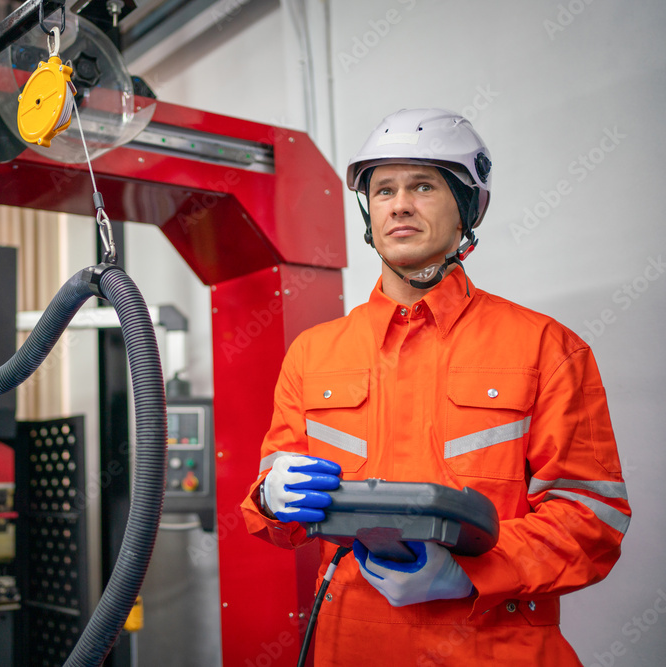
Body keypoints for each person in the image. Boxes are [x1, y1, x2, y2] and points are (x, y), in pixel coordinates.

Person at [241, 108, 630, 664]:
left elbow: (593, 518)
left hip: (496, 646)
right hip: (351, 644)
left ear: (467, 208)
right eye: (383, 190)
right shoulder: (314, 354)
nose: (399, 204)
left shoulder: (547, 348)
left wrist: (470, 573)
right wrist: (271, 498)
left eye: (422, 186)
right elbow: (266, 506)